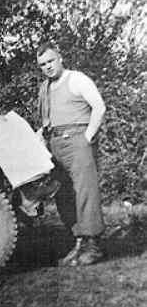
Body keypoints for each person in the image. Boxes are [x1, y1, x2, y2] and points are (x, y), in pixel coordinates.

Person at [37, 42, 106, 266]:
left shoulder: (76, 79)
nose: (47, 67)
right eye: (42, 64)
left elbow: (99, 107)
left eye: (50, 61)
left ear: (60, 58)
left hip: (77, 140)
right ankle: (78, 243)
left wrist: (87, 137)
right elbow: (47, 120)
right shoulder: (45, 88)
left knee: (86, 191)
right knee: (63, 194)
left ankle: (93, 246)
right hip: (54, 144)